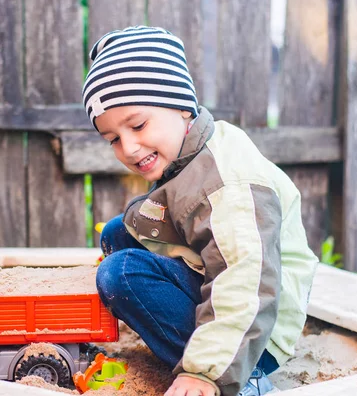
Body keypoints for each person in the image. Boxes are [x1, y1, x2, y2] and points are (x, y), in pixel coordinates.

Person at [82, 26, 318, 396]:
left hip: (256, 330)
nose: (128, 147)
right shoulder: (190, 148)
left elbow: (246, 282)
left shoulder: (230, 187)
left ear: (181, 106)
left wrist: (206, 372)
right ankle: (186, 339)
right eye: (113, 138)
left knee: (121, 274)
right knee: (118, 233)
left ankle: (239, 377)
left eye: (138, 125)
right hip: (224, 277)